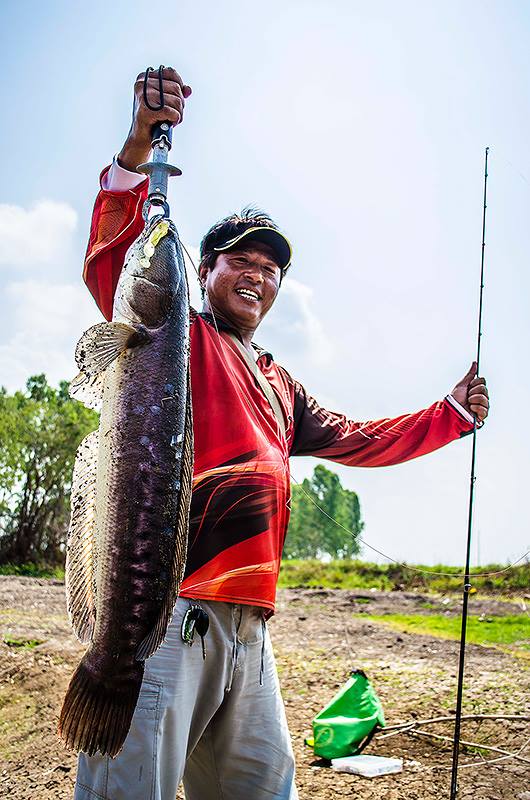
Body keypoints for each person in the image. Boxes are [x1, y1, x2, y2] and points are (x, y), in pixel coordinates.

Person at [73, 67, 490, 800]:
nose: (257, 276)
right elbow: (115, 264)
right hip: (168, 611)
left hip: (251, 624)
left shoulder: (278, 383)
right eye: (240, 259)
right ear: (204, 272)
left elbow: (361, 438)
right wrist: (138, 149)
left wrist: (449, 414)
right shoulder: (172, 335)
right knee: (129, 786)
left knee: (263, 788)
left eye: (271, 269)